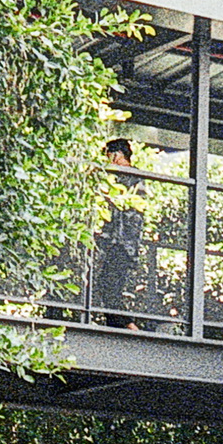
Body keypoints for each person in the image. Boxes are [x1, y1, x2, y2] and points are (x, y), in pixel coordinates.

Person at [91, 136, 148, 327]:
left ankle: (128, 326)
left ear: (116, 155)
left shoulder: (127, 177)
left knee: (108, 285)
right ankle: (122, 325)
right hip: (123, 243)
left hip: (121, 243)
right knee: (108, 285)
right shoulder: (134, 178)